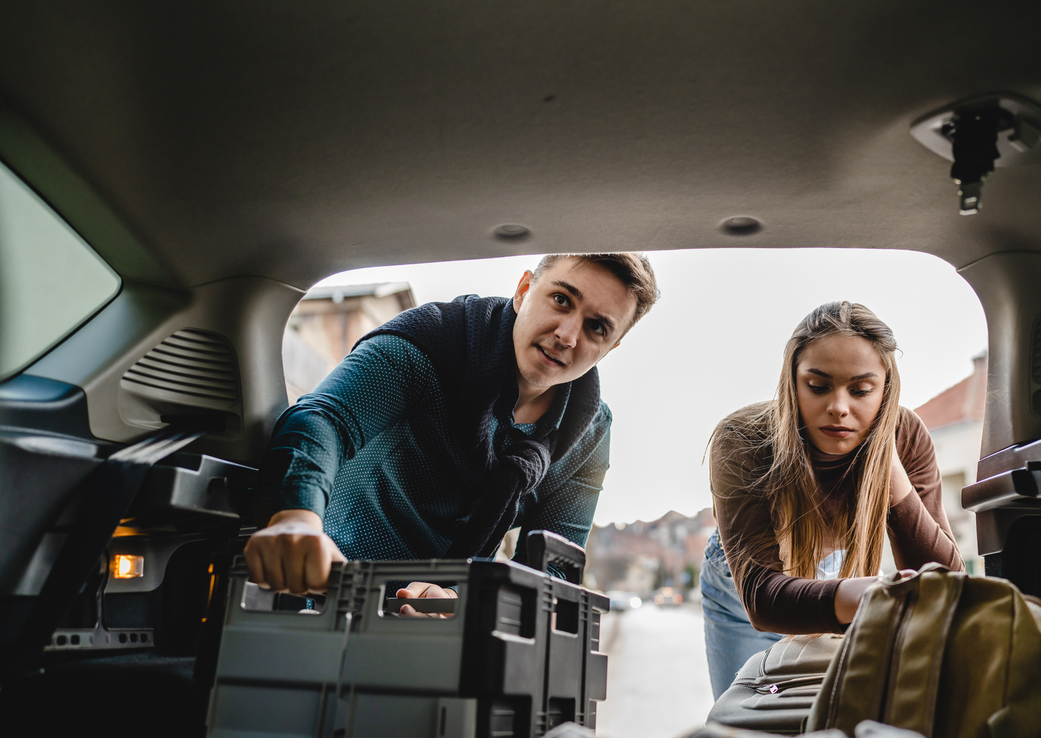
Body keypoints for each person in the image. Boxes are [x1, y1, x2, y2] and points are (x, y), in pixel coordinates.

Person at [245, 253, 658, 612]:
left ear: (612, 346)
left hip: (457, 629)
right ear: (524, 290)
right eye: (561, 300)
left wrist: (467, 602)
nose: (567, 336)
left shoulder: (589, 435)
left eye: (597, 328)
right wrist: (296, 518)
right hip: (329, 592)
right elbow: (324, 418)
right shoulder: (430, 342)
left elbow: (555, 568)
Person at [701, 301, 962, 697]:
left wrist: (887, 469)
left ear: (885, 393)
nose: (839, 408)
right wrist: (859, 595)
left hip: (836, 571)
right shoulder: (742, 439)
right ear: (793, 382)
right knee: (743, 724)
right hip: (738, 582)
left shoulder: (906, 435)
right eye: (818, 386)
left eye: (861, 390)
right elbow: (762, 598)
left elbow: (945, 582)